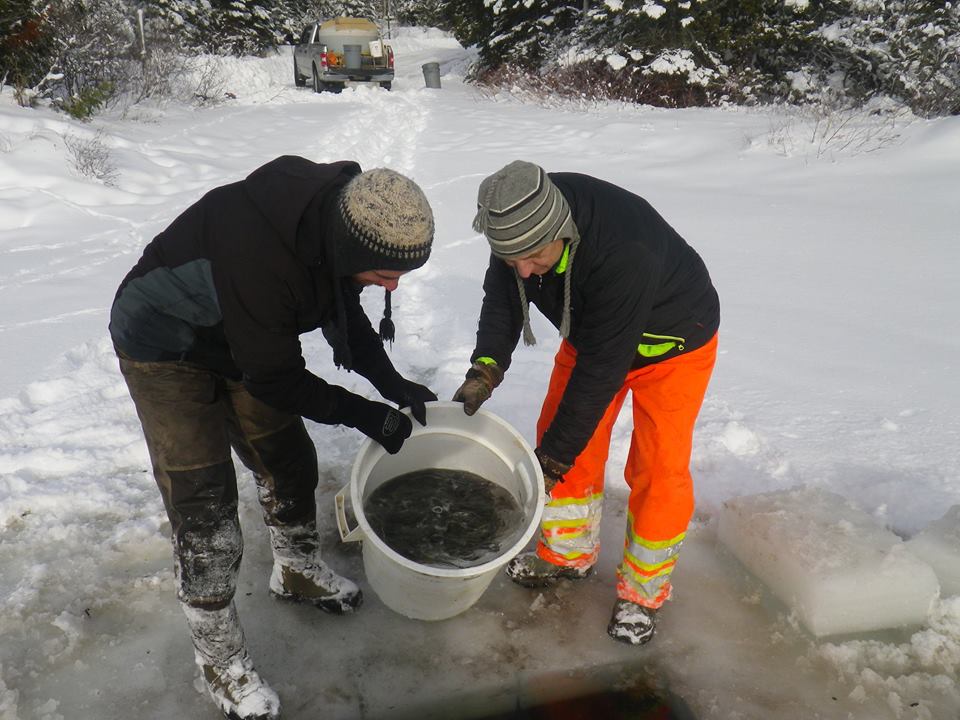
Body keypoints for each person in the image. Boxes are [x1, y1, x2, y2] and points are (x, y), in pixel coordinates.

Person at [109, 155, 437, 720]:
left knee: (287, 457)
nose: (394, 284)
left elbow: (341, 311)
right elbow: (277, 378)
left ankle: (296, 569)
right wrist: (362, 412)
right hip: (163, 346)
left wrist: (390, 382)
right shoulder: (264, 257)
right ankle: (219, 660)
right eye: (385, 273)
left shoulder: (336, 226)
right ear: (354, 249)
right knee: (206, 508)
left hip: (241, 335)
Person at [453, 160, 719, 646]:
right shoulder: (517, 221)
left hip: (674, 340)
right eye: (513, 259)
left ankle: (643, 591)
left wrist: (552, 460)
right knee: (562, 433)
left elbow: (600, 372)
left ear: (562, 231)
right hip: (592, 328)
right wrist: (485, 367)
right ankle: (567, 556)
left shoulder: (624, 252)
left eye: (534, 257)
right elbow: (505, 298)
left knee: (658, 466)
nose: (525, 270)